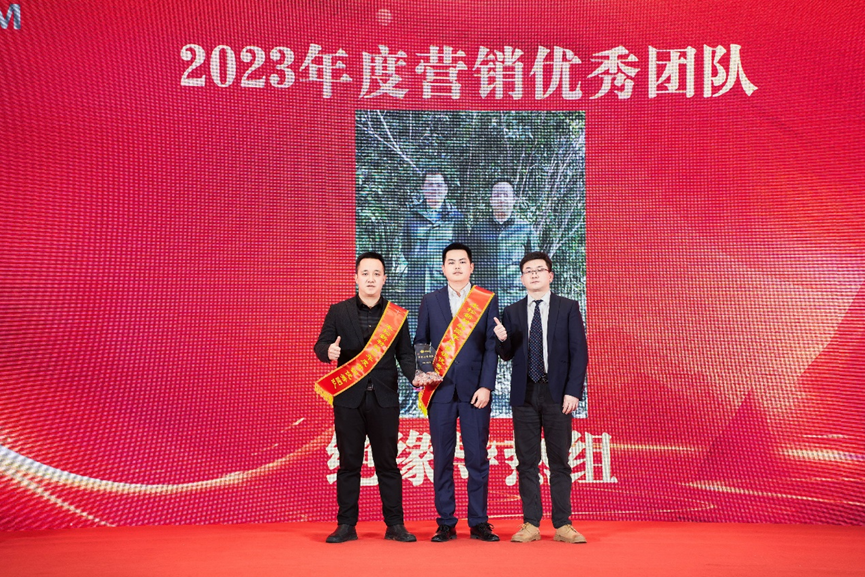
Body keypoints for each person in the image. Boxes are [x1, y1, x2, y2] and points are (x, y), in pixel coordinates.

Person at [313, 252, 419, 543]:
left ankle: (395, 525)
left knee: (388, 464)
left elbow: (405, 355)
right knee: (349, 463)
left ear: (384, 279)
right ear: (356, 278)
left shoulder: (396, 315)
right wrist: (328, 352)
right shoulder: (339, 311)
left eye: (376, 274)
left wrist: (415, 376)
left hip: (385, 400)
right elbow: (321, 344)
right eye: (365, 273)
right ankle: (346, 525)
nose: (371, 279)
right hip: (349, 399)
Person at [493, 251, 588, 544]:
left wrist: (573, 391)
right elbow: (506, 355)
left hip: (558, 394)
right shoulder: (512, 312)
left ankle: (563, 525)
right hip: (525, 394)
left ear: (550, 275)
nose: (533, 274)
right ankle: (531, 524)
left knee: (559, 461)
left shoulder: (567, 307)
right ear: (522, 278)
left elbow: (579, 353)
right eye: (528, 270)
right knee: (526, 462)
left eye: (539, 269)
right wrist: (502, 339)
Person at [414, 242, 500, 542]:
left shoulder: (485, 300)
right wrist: (428, 371)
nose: (457, 267)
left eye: (462, 262)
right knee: (442, 459)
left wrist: (486, 385)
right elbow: (421, 341)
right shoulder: (430, 300)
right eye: (451, 262)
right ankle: (446, 522)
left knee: (477, 459)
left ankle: (478, 521)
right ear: (443, 268)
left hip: (475, 392)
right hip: (440, 392)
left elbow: (491, 347)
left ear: (471, 267)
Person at [401, 171, 467, 317]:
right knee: (416, 326)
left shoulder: (456, 218)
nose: (434, 189)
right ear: (423, 189)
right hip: (416, 285)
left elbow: (463, 255)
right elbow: (406, 248)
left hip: (444, 285)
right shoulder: (412, 216)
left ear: (446, 189)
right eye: (430, 185)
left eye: (439, 185)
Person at [467, 180, 538, 309]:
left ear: (514, 199)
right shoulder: (478, 229)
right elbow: (470, 264)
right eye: (497, 195)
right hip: (483, 297)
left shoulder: (525, 229)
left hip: (516, 297)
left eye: (506, 195)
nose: (501, 199)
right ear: (491, 200)